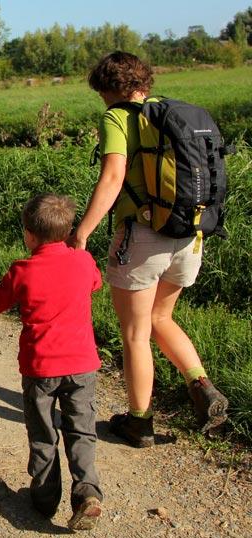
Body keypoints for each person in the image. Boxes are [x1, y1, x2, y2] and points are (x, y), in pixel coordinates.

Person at [71, 51, 228, 448]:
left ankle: (138, 422)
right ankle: (201, 383)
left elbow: (112, 177)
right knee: (161, 317)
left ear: (106, 88)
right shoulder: (168, 114)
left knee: (136, 333)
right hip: (189, 235)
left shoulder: (116, 117)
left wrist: (82, 231)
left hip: (142, 236)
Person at [0, 193, 103, 531]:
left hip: (40, 370)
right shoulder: (83, 261)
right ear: (67, 232)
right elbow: (94, 283)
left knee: (42, 433)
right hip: (82, 366)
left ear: (29, 235)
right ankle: (87, 493)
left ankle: (44, 498)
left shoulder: (23, 271)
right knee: (81, 429)